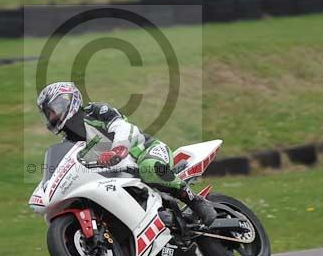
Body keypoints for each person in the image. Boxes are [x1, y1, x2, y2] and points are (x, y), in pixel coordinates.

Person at [36, 81, 217, 226]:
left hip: (145, 151)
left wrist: (119, 147)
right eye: (48, 113)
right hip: (120, 174)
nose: (52, 115)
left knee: (149, 167)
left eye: (54, 108)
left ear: (69, 100)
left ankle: (196, 202)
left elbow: (123, 127)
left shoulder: (96, 112)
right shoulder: (68, 144)